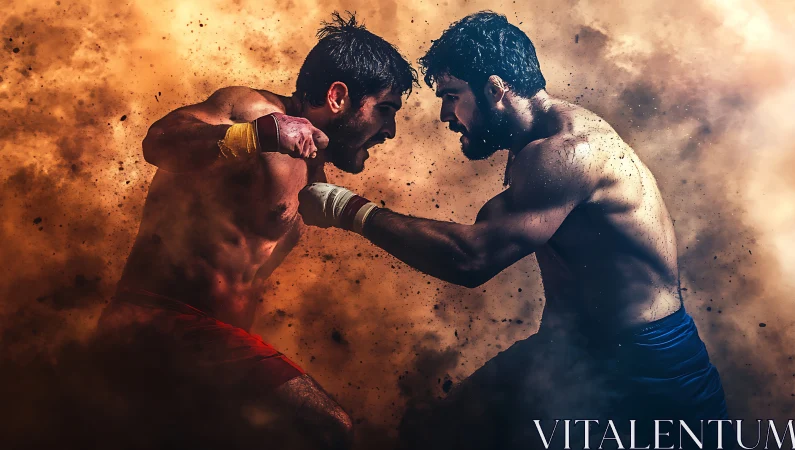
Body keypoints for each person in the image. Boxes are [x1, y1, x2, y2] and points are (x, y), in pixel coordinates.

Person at [298, 11, 728, 449]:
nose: (446, 115)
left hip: (645, 370)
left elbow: (472, 257)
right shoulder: (532, 146)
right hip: (569, 352)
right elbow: (485, 229)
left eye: (451, 96)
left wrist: (345, 207)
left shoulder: (568, 153)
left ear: (494, 89)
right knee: (433, 431)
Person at [94, 12, 416, 450]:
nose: (391, 130)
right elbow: (159, 142)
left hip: (214, 343)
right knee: (327, 428)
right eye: (385, 110)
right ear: (338, 96)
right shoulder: (252, 110)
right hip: (159, 322)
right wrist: (256, 135)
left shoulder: (313, 165)